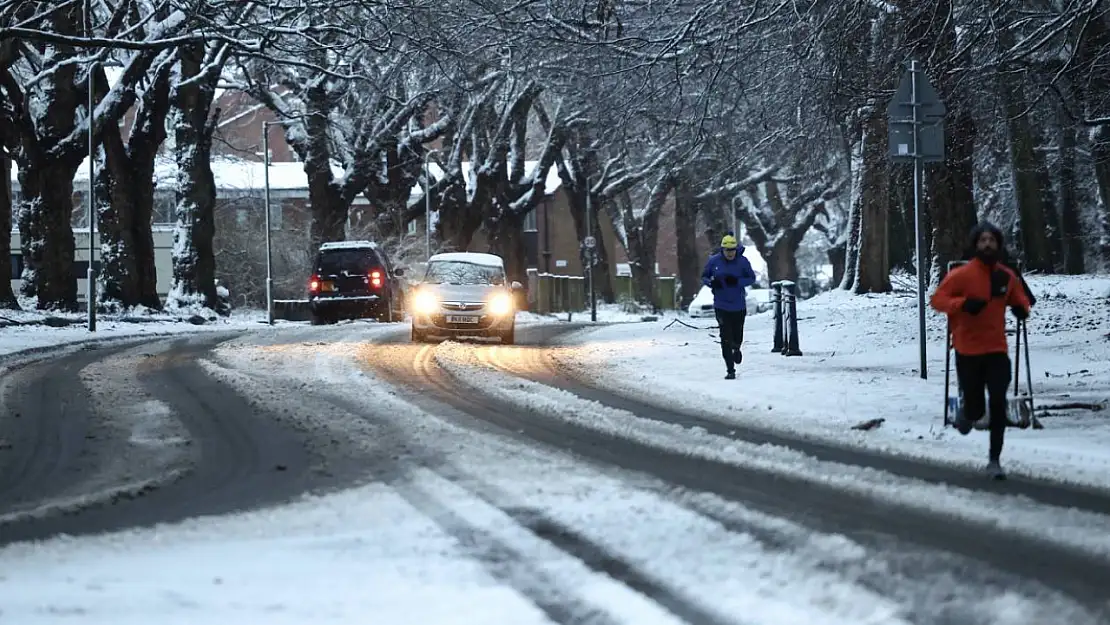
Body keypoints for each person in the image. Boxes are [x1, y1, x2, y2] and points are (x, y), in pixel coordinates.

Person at [931, 221, 1032, 479]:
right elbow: (937, 300)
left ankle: (994, 460)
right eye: (982, 240)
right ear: (975, 245)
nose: (987, 244)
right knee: (977, 409)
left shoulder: (1006, 275)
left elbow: (1020, 298)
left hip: (997, 349)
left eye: (992, 240)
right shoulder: (961, 275)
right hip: (967, 350)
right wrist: (963, 304)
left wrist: (1021, 309)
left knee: (998, 401)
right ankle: (968, 413)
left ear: (998, 245)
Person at [701, 232, 757, 379]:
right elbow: (704, 276)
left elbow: (752, 278)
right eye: (727, 250)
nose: (730, 253)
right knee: (725, 337)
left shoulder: (743, 261)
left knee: (737, 334)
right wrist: (712, 283)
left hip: (738, 305)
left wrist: (738, 282)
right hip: (721, 305)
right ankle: (730, 369)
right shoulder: (714, 261)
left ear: (736, 249)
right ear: (722, 250)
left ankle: (736, 348)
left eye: (732, 250)